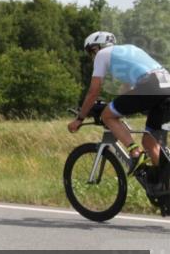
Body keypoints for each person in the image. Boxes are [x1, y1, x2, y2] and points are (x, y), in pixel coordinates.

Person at [68, 32, 170, 177]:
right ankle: (164, 186)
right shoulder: (130, 50)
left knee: (107, 116)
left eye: (91, 51)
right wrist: (115, 107)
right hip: (166, 86)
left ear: (98, 47)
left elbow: (93, 91)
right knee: (150, 142)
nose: (92, 56)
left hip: (151, 85)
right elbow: (126, 91)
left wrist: (80, 119)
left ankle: (135, 152)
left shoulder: (102, 55)